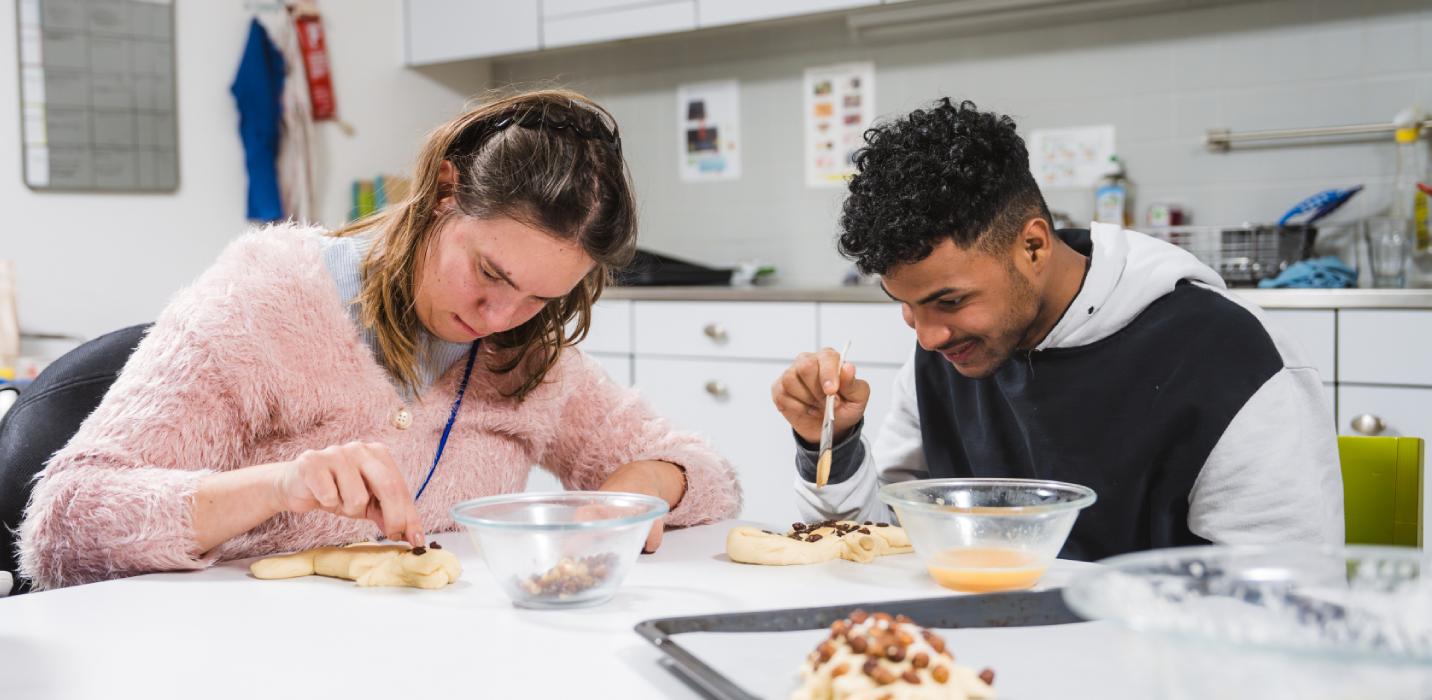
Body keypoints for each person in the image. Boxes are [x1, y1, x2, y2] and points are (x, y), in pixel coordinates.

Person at [18, 90, 741, 590]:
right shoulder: (261, 302)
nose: (499, 316)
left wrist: (650, 483)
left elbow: (709, 474)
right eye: (487, 272)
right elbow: (63, 524)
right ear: (442, 192)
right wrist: (277, 487)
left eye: (539, 297)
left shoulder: (530, 355)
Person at [771, 98, 1342, 561]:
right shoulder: (947, 353)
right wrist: (834, 443)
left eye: (948, 300)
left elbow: (1285, 594)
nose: (927, 337)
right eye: (906, 305)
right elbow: (878, 542)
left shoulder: (1223, 357)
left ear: (1034, 246)